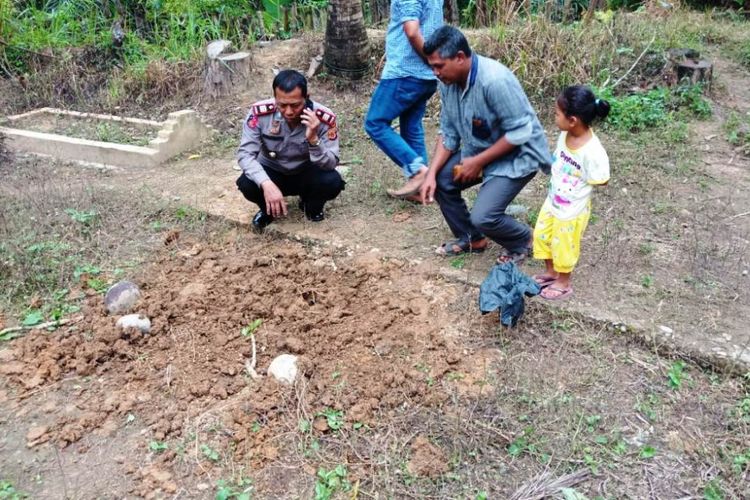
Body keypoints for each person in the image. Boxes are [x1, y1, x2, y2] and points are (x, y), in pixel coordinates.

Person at [418, 26, 552, 262]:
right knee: (441, 180)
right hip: (477, 151)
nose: (435, 72)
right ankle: (472, 238)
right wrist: (430, 173)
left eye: (439, 65)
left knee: (484, 216)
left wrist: (477, 162)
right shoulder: (447, 83)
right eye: (432, 66)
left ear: (460, 57)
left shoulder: (494, 80)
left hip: (518, 157)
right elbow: (448, 133)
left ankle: (524, 239)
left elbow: (521, 131)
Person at [236, 69, 344, 230]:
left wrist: (313, 139)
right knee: (247, 183)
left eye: (295, 105)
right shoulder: (259, 113)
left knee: (332, 181)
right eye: (282, 105)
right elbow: (245, 155)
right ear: (275, 98)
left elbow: (330, 164)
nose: (288, 111)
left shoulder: (324, 118)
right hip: (273, 171)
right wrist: (266, 183)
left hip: (306, 171)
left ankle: (310, 205)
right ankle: (268, 210)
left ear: (306, 98)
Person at [531, 85, 610, 300]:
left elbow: (602, 179)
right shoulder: (565, 135)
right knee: (542, 235)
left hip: (572, 209)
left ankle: (564, 282)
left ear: (573, 120)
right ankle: (551, 272)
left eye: (557, 113)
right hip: (553, 201)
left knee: (564, 244)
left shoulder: (593, 152)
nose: (554, 117)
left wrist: (577, 180)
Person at [364, 0, 443, 199]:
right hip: (425, 77)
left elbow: (412, 30)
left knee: (375, 123)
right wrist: (434, 64)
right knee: (411, 125)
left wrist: (429, 60)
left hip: (404, 72)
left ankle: (417, 171)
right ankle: (422, 189)